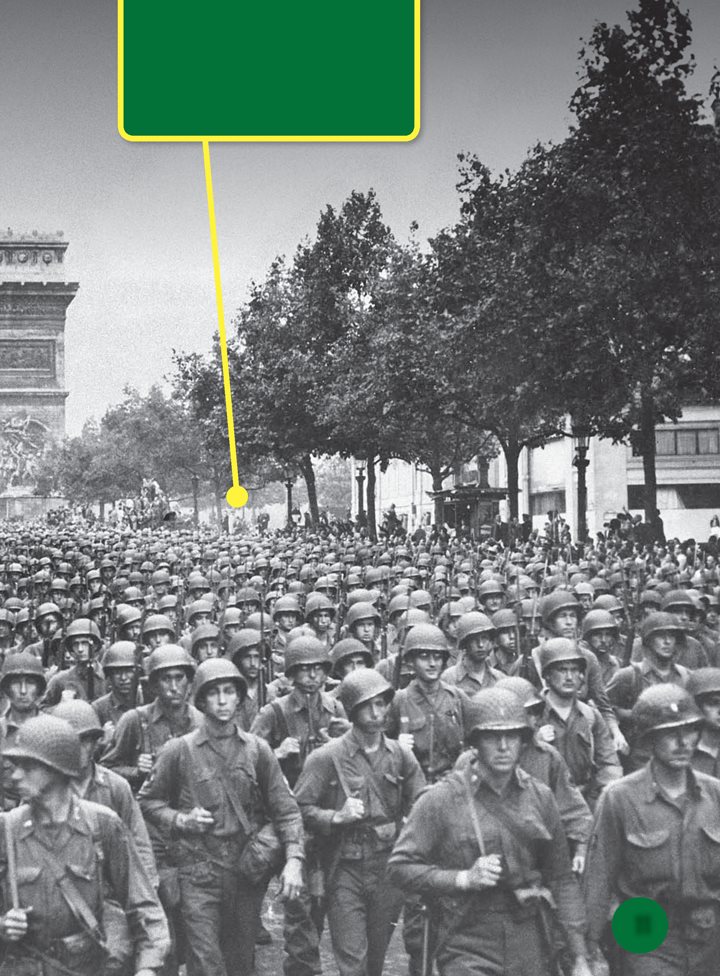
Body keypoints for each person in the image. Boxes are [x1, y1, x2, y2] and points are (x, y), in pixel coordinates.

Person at [387, 688, 593, 976]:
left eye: (512, 736)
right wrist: (462, 878)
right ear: (474, 742)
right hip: (466, 934)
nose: (504, 746)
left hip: (530, 934)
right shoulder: (441, 799)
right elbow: (400, 867)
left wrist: (579, 955)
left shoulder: (540, 797)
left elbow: (561, 878)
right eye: (492, 737)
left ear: (523, 741)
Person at [139, 658, 305, 976]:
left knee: (241, 961)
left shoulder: (258, 750)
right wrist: (180, 819)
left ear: (240, 698)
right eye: (214, 693)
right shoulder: (179, 750)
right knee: (205, 962)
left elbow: (286, 810)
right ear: (200, 700)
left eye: (230, 692)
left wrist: (294, 860)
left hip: (246, 870)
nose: (223, 700)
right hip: (198, 872)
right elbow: (148, 801)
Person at [0, 714, 170, 976]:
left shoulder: (102, 824)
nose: (16, 775)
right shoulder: (7, 829)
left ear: (58, 768)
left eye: (28, 766)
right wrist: (3, 927)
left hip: (88, 967)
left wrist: (147, 967)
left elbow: (143, 904)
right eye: (16, 765)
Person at [294, 669, 425, 976]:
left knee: (376, 960)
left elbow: (422, 802)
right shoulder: (327, 757)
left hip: (387, 867)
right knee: (353, 962)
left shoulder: (400, 756)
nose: (378, 712)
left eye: (382, 704)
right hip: (344, 868)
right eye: (369, 705)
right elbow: (297, 809)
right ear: (352, 710)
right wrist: (335, 817)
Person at [584, 685, 720, 975]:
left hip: (709, 934)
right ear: (651, 739)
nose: (683, 742)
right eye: (671, 733)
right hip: (645, 929)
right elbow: (598, 879)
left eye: (690, 730)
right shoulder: (619, 798)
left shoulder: (715, 795)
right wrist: (586, 953)